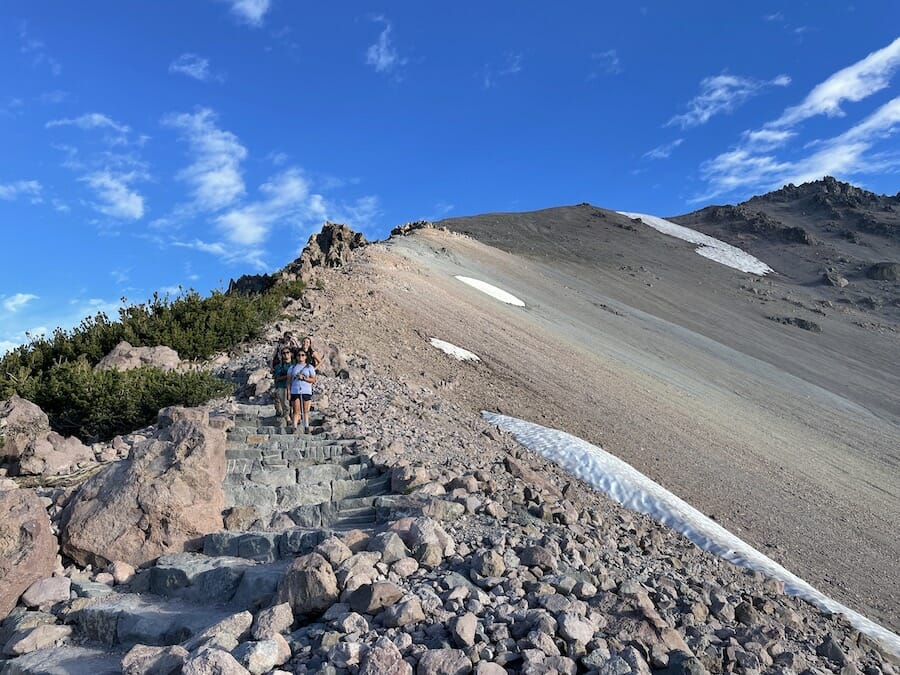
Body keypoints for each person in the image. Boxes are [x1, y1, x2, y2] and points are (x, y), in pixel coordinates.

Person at [289, 349, 316, 434]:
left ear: (306, 357)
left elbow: (313, 379)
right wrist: (288, 391)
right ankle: (294, 427)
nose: (300, 357)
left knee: (305, 410)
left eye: (303, 355)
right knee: (296, 410)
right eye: (299, 355)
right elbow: (289, 380)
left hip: (306, 390)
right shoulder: (292, 367)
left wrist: (304, 378)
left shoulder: (309, 367)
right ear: (296, 357)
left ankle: (306, 426)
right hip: (295, 390)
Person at [272, 347, 293, 427]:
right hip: (282, 386)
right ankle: (287, 419)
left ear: (290, 353)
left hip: (294, 386)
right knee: (285, 403)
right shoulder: (279, 366)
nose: (286, 355)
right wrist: (288, 376)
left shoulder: (295, 364)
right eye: (283, 353)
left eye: (287, 352)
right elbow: (277, 378)